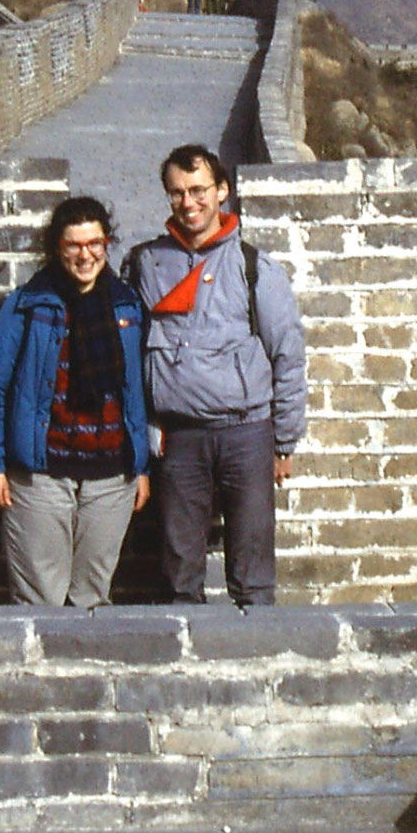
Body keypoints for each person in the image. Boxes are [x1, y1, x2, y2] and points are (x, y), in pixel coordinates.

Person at [123, 145, 305, 605]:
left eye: (199, 190)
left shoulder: (254, 267)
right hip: (179, 438)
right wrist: (147, 432)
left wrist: (284, 442)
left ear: (222, 191)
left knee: (252, 566)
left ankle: (257, 658)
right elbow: (134, 356)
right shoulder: (145, 265)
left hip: (247, 433)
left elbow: (288, 355)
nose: (189, 203)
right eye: (177, 193)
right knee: (179, 569)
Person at [0, 197, 150, 607]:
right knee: (40, 599)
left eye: (94, 243)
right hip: (40, 474)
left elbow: (136, 391)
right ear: (57, 248)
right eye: (73, 245)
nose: (85, 255)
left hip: (111, 476)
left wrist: (140, 466)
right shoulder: (27, 305)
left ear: (107, 243)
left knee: (92, 598)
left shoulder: (128, 306)